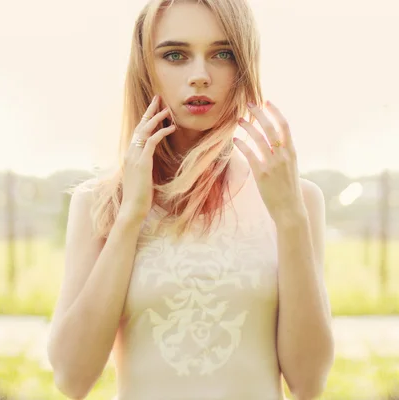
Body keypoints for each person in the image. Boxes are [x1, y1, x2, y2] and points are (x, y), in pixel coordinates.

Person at [46, 0, 335, 399]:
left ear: (244, 65)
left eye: (223, 53)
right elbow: (71, 379)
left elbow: (308, 383)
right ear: (146, 69)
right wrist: (131, 216)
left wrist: (289, 219)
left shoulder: (297, 200)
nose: (200, 76)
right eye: (175, 55)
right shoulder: (100, 203)